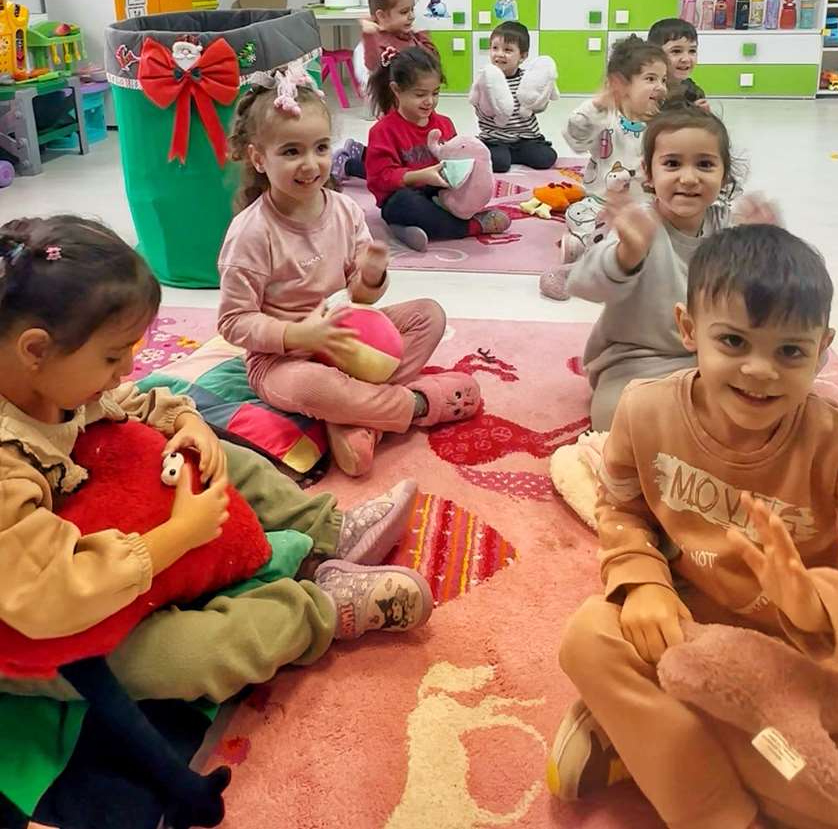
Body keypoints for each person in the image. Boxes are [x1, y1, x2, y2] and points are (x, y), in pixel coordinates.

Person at [0, 214, 435, 715]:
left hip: (66, 536)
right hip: (31, 616)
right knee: (174, 658)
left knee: (209, 451)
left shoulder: (50, 380)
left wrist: (188, 421)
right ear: (35, 350)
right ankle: (320, 610)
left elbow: (128, 400)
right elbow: (50, 595)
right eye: (113, 357)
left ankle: (328, 532)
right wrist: (181, 533)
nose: (127, 369)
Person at [551, 223, 838, 829]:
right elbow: (622, 510)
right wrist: (644, 582)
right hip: (679, 630)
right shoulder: (644, 409)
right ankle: (712, 808)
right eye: (734, 341)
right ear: (688, 329)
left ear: (823, 348)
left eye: (790, 351)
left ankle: (641, 736)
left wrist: (816, 600)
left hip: (786, 666)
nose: (760, 370)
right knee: (586, 637)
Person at [219, 61, 481, 477]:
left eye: (321, 148)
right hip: (282, 359)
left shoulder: (343, 209)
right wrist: (298, 334)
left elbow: (359, 298)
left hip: (346, 335)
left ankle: (356, 419)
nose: (311, 163)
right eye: (291, 151)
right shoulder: (250, 232)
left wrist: (371, 277)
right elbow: (234, 321)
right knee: (313, 386)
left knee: (428, 315)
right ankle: (417, 404)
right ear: (258, 158)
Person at [567, 105, 749, 429]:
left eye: (705, 164)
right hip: (638, 360)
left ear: (724, 175)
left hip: (712, 357)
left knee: (787, 373)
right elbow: (582, 283)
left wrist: (766, 245)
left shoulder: (732, 228)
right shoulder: (641, 225)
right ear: (648, 173)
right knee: (615, 416)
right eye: (672, 164)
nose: (689, 178)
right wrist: (626, 256)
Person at [540, 36, 668, 300]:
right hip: (602, 204)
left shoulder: (664, 124)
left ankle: (595, 253)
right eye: (650, 79)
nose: (660, 86)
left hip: (647, 207)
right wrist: (597, 105)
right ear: (622, 86)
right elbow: (575, 137)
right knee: (577, 213)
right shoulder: (604, 117)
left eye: (663, 80)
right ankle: (589, 258)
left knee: (663, 233)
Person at [364, 46, 511, 253]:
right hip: (404, 196)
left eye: (435, 93)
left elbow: (456, 162)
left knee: (467, 189)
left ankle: (416, 228)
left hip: (440, 194)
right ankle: (470, 227)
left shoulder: (444, 124)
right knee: (403, 204)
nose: (429, 101)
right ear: (396, 90)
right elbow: (379, 179)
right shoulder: (383, 131)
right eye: (420, 94)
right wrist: (421, 175)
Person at [332, 0, 440, 182]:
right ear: (381, 16)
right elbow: (372, 63)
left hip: (416, 108)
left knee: (412, 153)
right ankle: (348, 164)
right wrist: (369, 34)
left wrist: (424, 36)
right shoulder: (380, 41)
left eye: (412, 10)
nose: (411, 16)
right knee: (398, 165)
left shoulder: (411, 37)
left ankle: (359, 151)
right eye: (404, 12)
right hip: (395, 111)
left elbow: (431, 62)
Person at [469, 21, 558, 173]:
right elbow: (479, 107)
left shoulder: (528, 79)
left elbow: (538, 104)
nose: (499, 54)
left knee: (547, 158)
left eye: (508, 50)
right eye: (495, 48)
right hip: (495, 139)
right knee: (499, 163)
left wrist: (541, 97)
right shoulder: (486, 79)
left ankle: (513, 155)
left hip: (526, 139)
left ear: (522, 56)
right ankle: (503, 155)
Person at [647, 17, 708, 108]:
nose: (686, 59)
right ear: (654, 53)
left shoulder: (693, 93)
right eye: (676, 51)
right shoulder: (647, 93)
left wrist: (702, 114)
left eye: (692, 51)